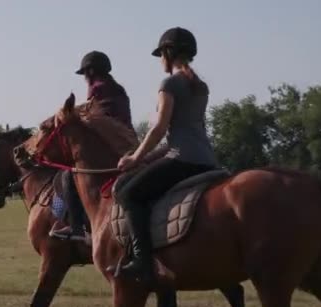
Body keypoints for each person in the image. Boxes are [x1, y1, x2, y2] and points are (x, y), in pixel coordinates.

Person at [107, 27, 218, 280]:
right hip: (207, 161)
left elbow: (159, 128)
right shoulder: (201, 87)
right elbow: (182, 135)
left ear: (168, 52)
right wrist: (145, 159)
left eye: (160, 54)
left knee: (128, 194)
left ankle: (142, 262)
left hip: (183, 160)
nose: (160, 60)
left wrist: (135, 158)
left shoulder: (169, 83)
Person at [50, 50, 132, 242]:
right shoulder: (118, 89)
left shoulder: (97, 88)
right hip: (126, 144)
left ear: (92, 71)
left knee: (67, 174)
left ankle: (74, 225)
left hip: (106, 145)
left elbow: (89, 116)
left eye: (85, 73)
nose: (85, 78)